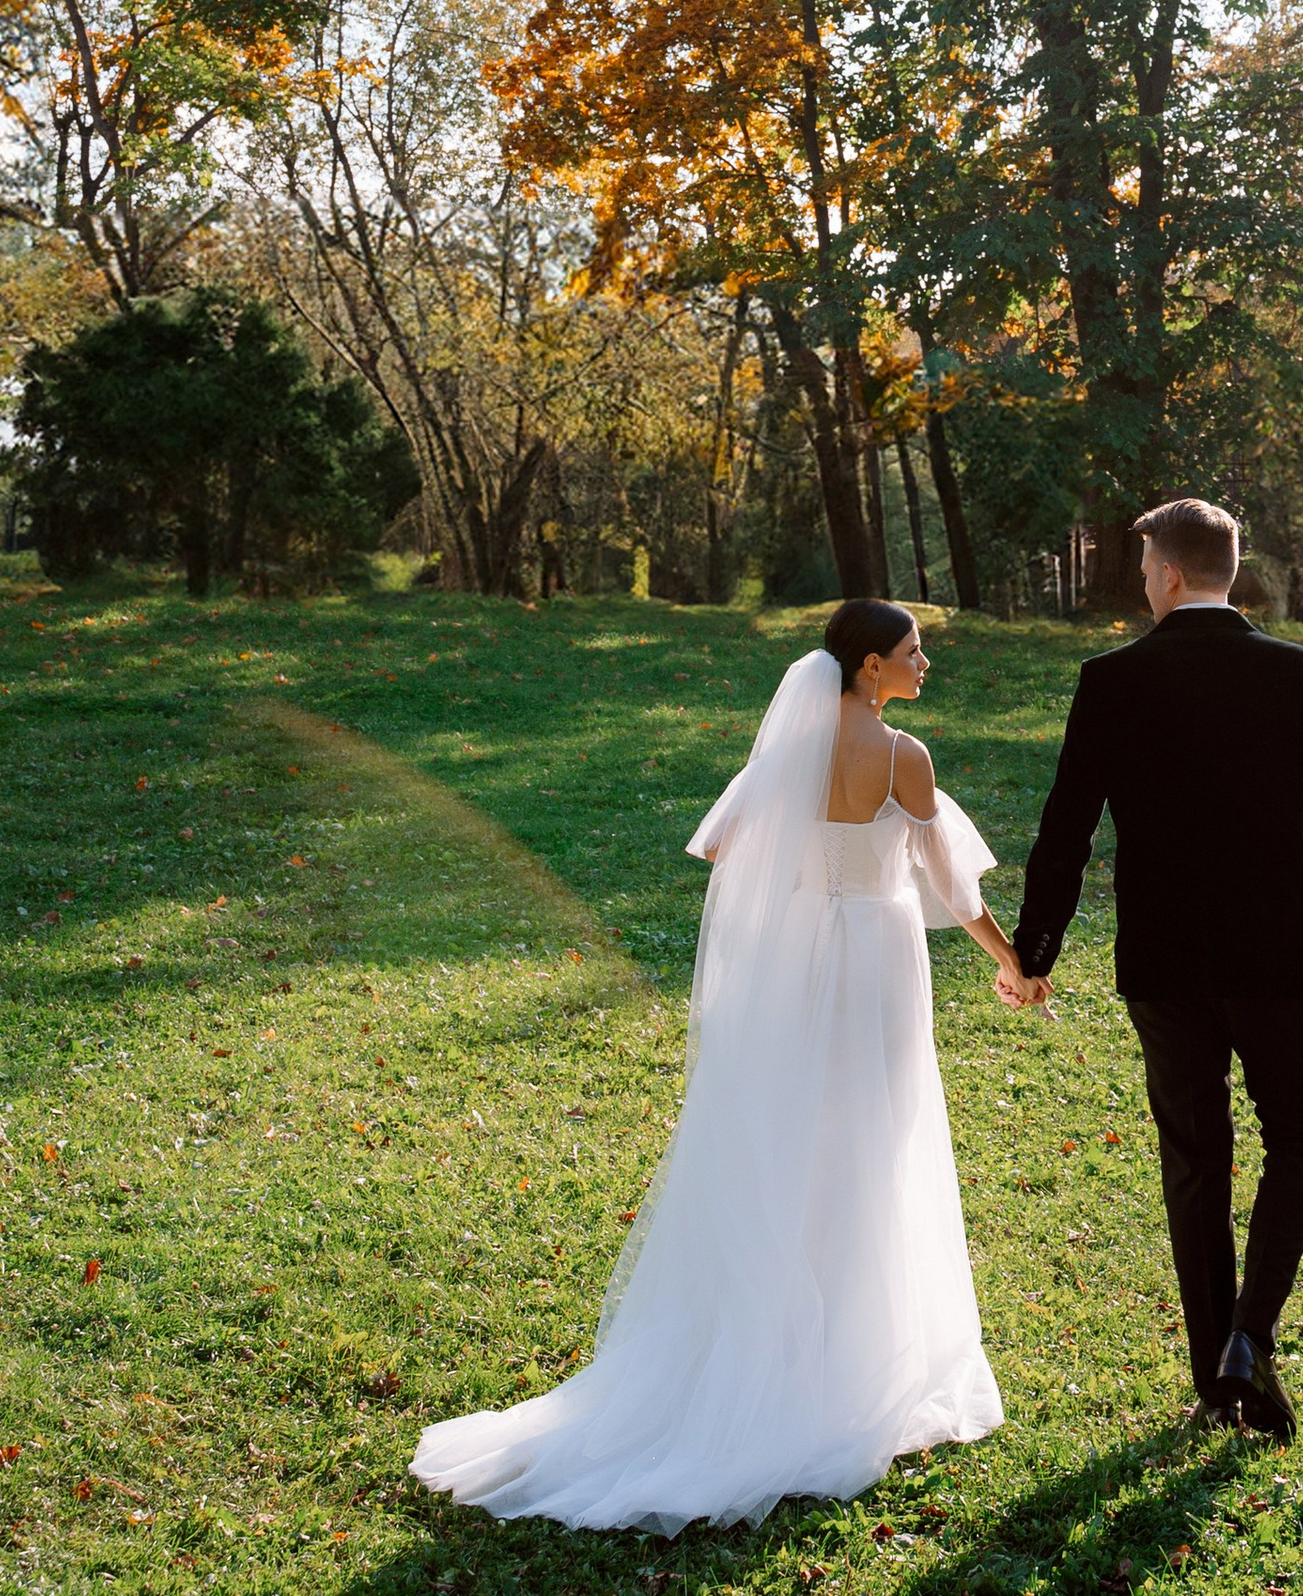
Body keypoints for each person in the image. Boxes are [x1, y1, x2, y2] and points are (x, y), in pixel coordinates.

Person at [411, 602, 1027, 1535]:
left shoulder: (788, 752)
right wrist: (1012, 961)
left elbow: (722, 845)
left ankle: (783, 1339)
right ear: (869, 667)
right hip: (873, 960)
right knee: (873, 1141)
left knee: (797, 1140)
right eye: (911, 652)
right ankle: (856, 1363)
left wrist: (797, 891)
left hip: (804, 965)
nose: (924, 663)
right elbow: (952, 886)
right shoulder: (905, 757)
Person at [1006, 498, 1303, 1441]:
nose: (1142, 581)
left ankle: (1217, 1373)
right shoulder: (1302, 674)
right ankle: (1249, 1341)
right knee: (1299, 1140)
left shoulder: (1110, 680)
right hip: (1276, 957)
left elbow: (1066, 828)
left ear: (1172, 573)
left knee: (1195, 1162)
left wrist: (1036, 951)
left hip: (1163, 960)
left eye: (1145, 567)